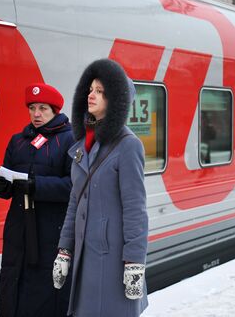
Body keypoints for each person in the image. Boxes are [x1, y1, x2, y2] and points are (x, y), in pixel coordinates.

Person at [52, 59, 149, 317]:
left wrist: (135, 263)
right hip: (87, 258)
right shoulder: (84, 145)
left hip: (114, 261)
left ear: (115, 99)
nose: (91, 95)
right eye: (90, 89)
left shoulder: (128, 146)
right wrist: (64, 250)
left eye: (100, 91)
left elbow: (135, 208)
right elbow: (75, 200)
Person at [0, 83, 74, 317]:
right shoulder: (18, 141)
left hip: (49, 231)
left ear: (55, 111)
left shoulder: (69, 141)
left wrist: (37, 186)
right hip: (18, 230)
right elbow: (6, 179)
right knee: (13, 282)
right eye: (32, 108)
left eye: (43, 109)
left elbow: (73, 186)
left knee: (44, 292)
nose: (36, 114)